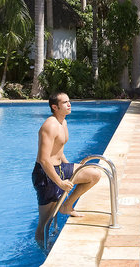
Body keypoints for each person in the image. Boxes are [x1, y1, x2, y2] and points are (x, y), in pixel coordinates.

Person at [32, 91, 101, 241]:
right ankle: (42, 250)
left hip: (61, 168)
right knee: (45, 222)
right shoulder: (49, 126)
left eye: (69, 101)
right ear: (55, 107)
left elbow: (58, 150)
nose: (69, 104)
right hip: (46, 175)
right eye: (65, 102)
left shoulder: (63, 122)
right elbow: (44, 160)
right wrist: (60, 182)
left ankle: (67, 206)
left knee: (94, 174)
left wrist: (71, 167)